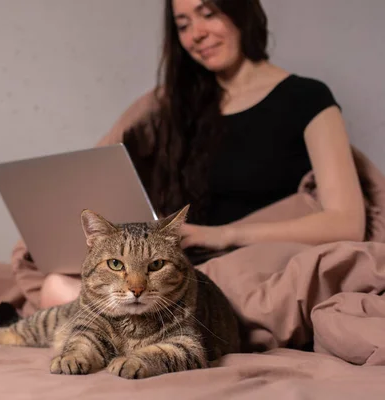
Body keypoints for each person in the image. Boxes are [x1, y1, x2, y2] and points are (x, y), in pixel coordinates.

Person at [38, 0, 366, 309]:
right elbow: (93, 169)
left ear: (241, 10)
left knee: (65, 296)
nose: (196, 35)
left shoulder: (307, 98)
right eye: (183, 24)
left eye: (208, 13)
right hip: (182, 260)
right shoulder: (174, 101)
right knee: (55, 285)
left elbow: (347, 223)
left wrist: (222, 235)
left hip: (259, 261)